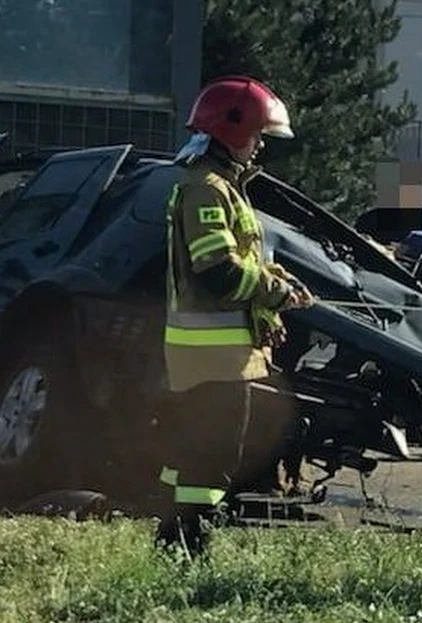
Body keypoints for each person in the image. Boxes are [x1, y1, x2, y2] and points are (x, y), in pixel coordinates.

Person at [154, 76, 314, 556]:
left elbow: (238, 257)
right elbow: (218, 272)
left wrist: (279, 278)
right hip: (213, 356)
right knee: (214, 452)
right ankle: (190, 542)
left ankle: (172, 538)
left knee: (193, 450)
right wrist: (275, 294)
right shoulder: (207, 189)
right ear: (233, 129)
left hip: (217, 354)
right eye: (259, 134)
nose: (261, 144)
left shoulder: (222, 186)